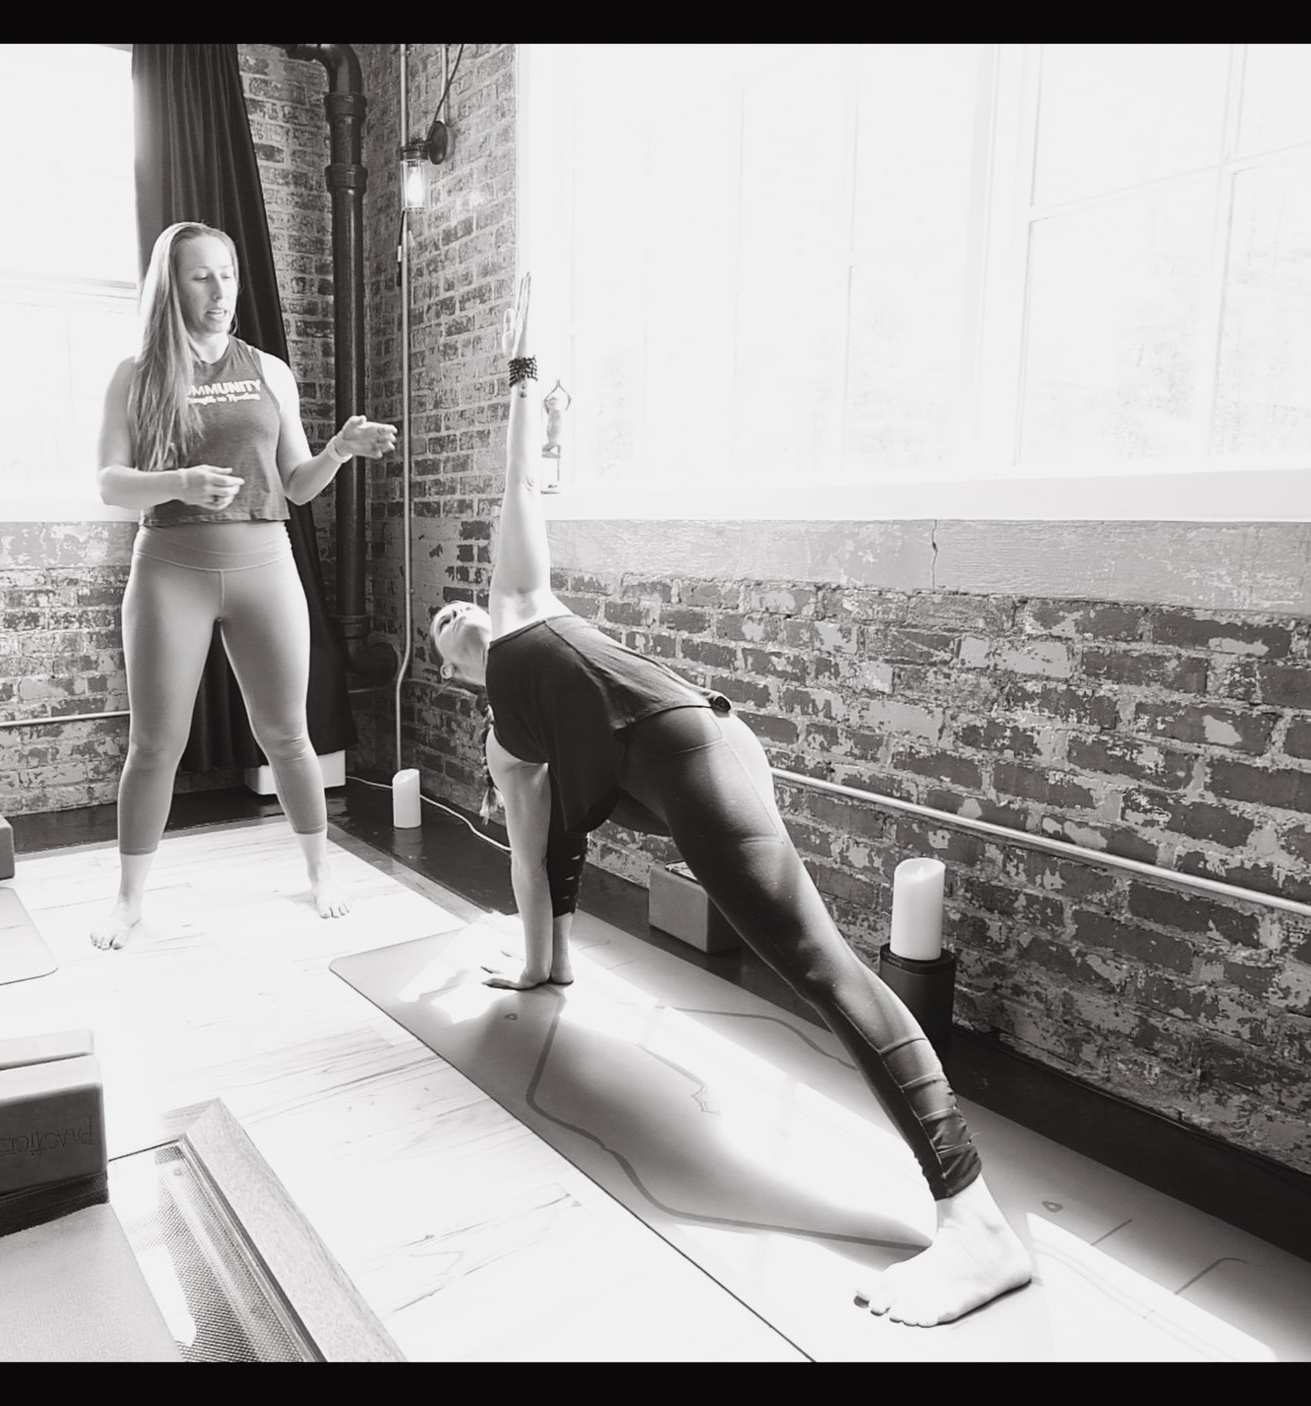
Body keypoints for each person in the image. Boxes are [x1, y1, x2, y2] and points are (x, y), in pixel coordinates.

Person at [429, 272, 1035, 1328]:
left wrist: (524, 377)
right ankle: (967, 1211)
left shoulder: (522, 607)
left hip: (693, 748)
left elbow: (518, 487)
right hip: (684, 761)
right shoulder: (506, 747)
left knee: (817, 965)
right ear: (448, 669)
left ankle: (974, 1219)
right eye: (439, 628)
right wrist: (532, 964)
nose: (450, 618)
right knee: (808, 956)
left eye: (453, 608)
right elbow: (536, 872)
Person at [91, 221, 396, 949]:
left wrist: (337, 451)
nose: (220, 290)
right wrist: (180, 482)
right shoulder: (136, 374)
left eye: (227, 274)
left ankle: (322, 871)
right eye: (202, 276)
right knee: (155, 744)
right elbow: (109, 483)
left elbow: (295, 486)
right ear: (173, 285)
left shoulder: (268, 370)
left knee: (289, 735)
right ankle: (129, 902)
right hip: (171, 568)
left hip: (266, 565)